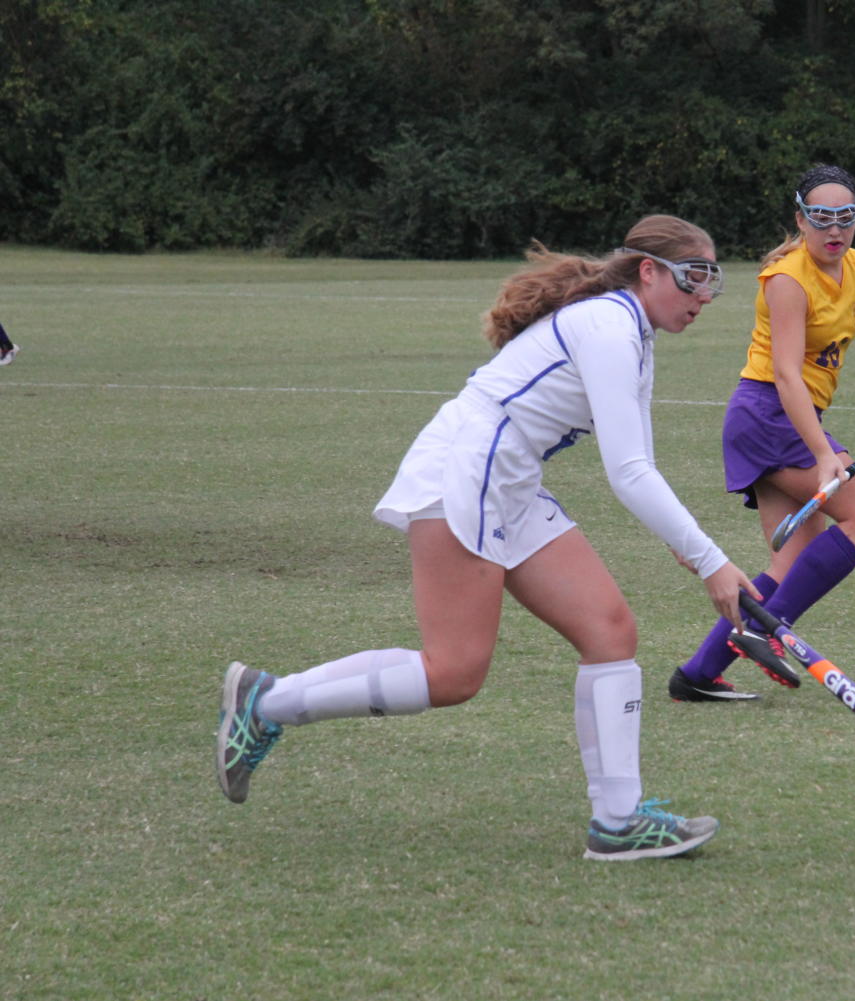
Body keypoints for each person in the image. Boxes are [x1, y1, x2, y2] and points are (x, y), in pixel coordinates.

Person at [216, 215, 762, 861]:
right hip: (466, 471)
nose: (703, 296)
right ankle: (268, 701)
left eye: (712, 282)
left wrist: (690, 546)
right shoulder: (610, 327)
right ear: (648, 270)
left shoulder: (630, 333)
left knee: (609, 630)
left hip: (509, 478)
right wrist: (711, 562)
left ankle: (617, 821)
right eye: (693, 277)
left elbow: (637, 462)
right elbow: (629, 472)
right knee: (453, 671)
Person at [669, 165, 855, 702]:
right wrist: (821, 453)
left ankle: (698, 674)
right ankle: (762, 630)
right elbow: (786, 375)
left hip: (787, 416)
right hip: (770, 414)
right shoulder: (787, 278)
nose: (834, 229)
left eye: (846, 217)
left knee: (790, 562)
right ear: (801, 220)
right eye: (821, 217)